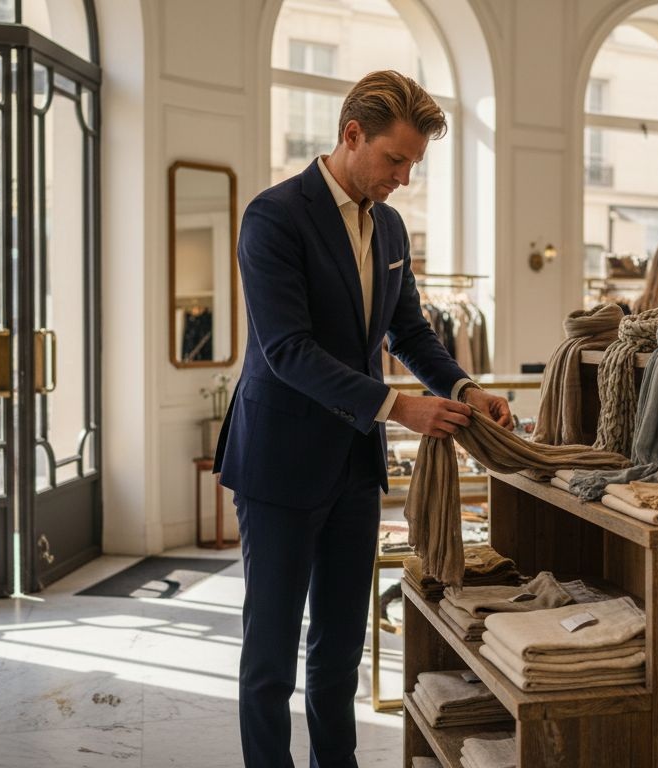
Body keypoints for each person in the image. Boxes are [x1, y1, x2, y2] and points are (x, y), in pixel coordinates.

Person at [214, 70, 513, 768]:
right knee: (270, 654)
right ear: (352, 135)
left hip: (352, 465)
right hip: (280, 462)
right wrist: (395, 405)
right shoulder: (272, 216)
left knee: (342, 645)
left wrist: (465, 389)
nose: (405, 178)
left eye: (413, 163)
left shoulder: (391, 226)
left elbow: (409, 333)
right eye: (396, 159)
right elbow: (287, 350)